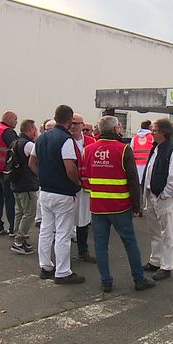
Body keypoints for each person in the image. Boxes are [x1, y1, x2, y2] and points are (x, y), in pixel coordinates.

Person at [82, 116, 155, 292]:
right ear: (115, 130)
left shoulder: (88, 150)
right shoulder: (124, 150)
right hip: (120, 206)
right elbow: (133, 180)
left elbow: (84, 177)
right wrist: (136, 206)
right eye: (119, 126)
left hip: (98, 206)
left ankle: (106, 281)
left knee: (100, 245)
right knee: (130, 243)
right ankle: (138, 279)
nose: (120, 129)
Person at [29, 105, 84, 285]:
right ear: (69, 121)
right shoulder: (66, 140)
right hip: (63, 193)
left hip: (45, 191)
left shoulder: (42, 138)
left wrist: (44, 176)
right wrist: (77, 183)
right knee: (63, 233)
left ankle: (45, 266)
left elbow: (32, 163)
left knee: (46, 230)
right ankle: (63, 271)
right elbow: (70, 167)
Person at [142, 118, 173, 281]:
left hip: (161, 196)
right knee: (154, 231)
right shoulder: (156, 148)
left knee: (166, 232)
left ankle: (166, 266)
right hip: (152, 194)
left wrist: (165, 194)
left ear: (163, 132)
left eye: (155, 130)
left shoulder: (171, 151)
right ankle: (155, 260)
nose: (151, 133)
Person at [9, 119, 38, 255]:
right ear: (30, 129)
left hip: (16, 182)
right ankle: (19, 241)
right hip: (26, 183)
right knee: (29, 212)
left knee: (19, 211)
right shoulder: (28, 145)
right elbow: (37, 160)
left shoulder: (14, 142)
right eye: (35, 129)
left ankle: (18, 235)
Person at [70, 112, 96, 263]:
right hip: (70, 186)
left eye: (77, 124)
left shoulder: (91, 141)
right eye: (71, 123)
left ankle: (83, 250)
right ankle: (63, 251)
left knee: (84, 219)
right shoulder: (65, 140)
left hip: (86, 186)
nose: (73, 126)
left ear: (82, 125)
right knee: (67, 219)